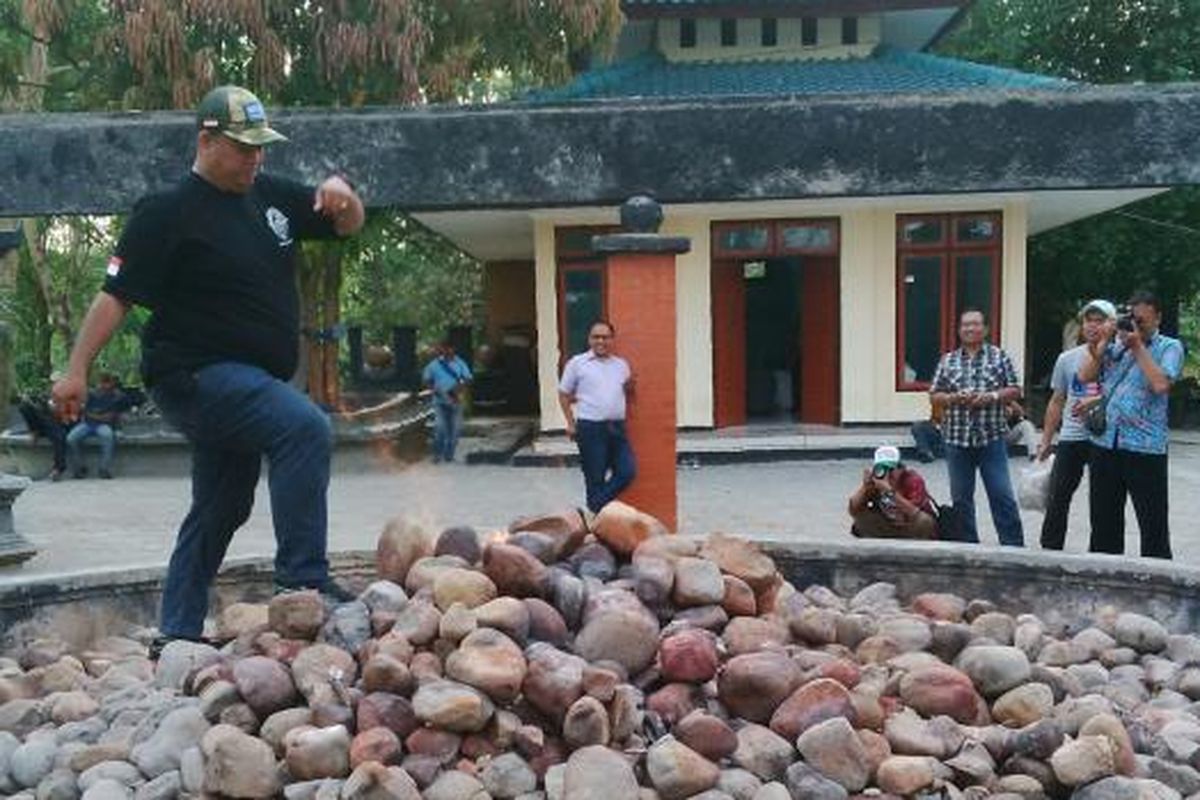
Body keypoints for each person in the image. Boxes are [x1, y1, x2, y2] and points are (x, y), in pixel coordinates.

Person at [51, 85, 365, 652]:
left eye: (261, 147)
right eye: (243, 148)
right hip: (193, 375)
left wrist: (344, 193)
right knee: (303, 427)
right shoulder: (166, 212)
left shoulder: (271, 197)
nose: (255, 159)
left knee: (224, 502)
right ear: (207, 140)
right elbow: (114, 297)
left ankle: (177, 631)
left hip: (250, 383)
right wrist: (75, 371)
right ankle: (303, 580)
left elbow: (345, 224)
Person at [1079, 289, 1182, 559]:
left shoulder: (1169, 347)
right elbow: (1085, 377)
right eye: (1131, 320)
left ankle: (1158, 586)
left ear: (1158, 317)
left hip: (1145, 448)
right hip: (1106, 443)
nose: (1135, 327)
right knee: (1103, 524)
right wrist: (1102, 345)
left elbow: (1160, 384)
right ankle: (1103, 580)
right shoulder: (1119, 346)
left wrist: (1137, 346)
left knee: (1152, 525)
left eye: (1142, 321)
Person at [929, 308, 1025, 546]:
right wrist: (953, 398)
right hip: (956, 440)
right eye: (965, 325)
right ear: (959, 330)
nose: (970, 329)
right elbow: (934, 395)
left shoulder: (999, 357)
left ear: (985, 329)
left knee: (1001, 494)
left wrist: (991, 397)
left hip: (990, 438)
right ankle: (968, 547)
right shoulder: (948, 360)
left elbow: (1015, 389)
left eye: (975, 324)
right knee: (961, 498)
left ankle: (1013, 548)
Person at [1035, 299, 1113, 550]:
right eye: (1088, 320)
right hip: (1072, 435)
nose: (1092, 326)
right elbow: (1057, 400)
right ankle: (1050, 550)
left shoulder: (1119, 356)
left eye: (1099, 321)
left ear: (1111, 325)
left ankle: (1099, 554)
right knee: (1058, 496)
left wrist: (1096, 400)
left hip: (1105, 435)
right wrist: (1046, 440)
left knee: (1102, 501)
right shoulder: (1067, 359)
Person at [558, 320, 636, 513]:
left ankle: (593, 506)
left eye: (605, 337)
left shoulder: (621, 365)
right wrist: (570, 423)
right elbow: (563, 394)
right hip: (590, 429)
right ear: (589, 339)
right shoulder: (577, 363)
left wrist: (630, 386)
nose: (601, 341)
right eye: (596, 337)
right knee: (595, 477)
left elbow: (625, 391)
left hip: (617, 428)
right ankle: (597, 524)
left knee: (627, 471)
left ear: (612, 339)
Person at [848, 445, 939, 539]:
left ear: (901, 468)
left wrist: (890, 492)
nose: (889, 474)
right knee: (861, 519)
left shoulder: (913, 480)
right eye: (883, 469)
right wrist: (865, 487)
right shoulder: (876, 481)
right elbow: (854, 510)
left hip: (909, 525)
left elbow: (914, 512)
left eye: (892, 469)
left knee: (924, 521)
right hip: (887, 524)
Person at [66, 372, 127, 479]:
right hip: (87, 424)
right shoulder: (91, 394)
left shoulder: (118, 396)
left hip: (104, 425)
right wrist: (96, 416)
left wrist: (94, 415)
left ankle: (104, 469)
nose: (105, 385)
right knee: (71, 438)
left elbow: (110, 417)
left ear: (112, 383)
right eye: (103, 382)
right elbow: (84, 410)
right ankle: (80, 467)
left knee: (108, 436)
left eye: (108, 382)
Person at [422, 338, 472, 463]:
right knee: (440, 428)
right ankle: (437, 454)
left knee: (455, 430)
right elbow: (426, 379)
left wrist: (457, 389)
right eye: (444, 348)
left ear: (454, 349)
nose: (446, 350)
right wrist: (434, 389)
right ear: (441, 349)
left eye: (449, 348)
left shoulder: (460, 363)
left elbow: (468, 379)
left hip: (456, 400)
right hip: (439, 401)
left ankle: (449, 455)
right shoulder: (434, 365)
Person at [17, 389, 68, 481]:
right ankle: (34, 431)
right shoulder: (48, 396)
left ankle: (58, 468)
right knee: (24, 406)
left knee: (58, 437)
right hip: (47, 422)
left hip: (60, 425)